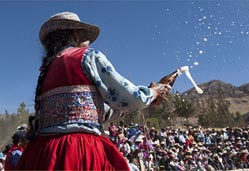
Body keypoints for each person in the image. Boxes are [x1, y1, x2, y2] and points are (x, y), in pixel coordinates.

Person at [16, 11, 176, 170]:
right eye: (84, 34)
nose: (88, 42)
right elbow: (132, 99)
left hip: (43, 154)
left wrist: (148, 95)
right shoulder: (87, 57)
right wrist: (154, 92)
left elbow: (92, 113)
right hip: (78, 151)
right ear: (74, 34)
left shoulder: (45, 71)